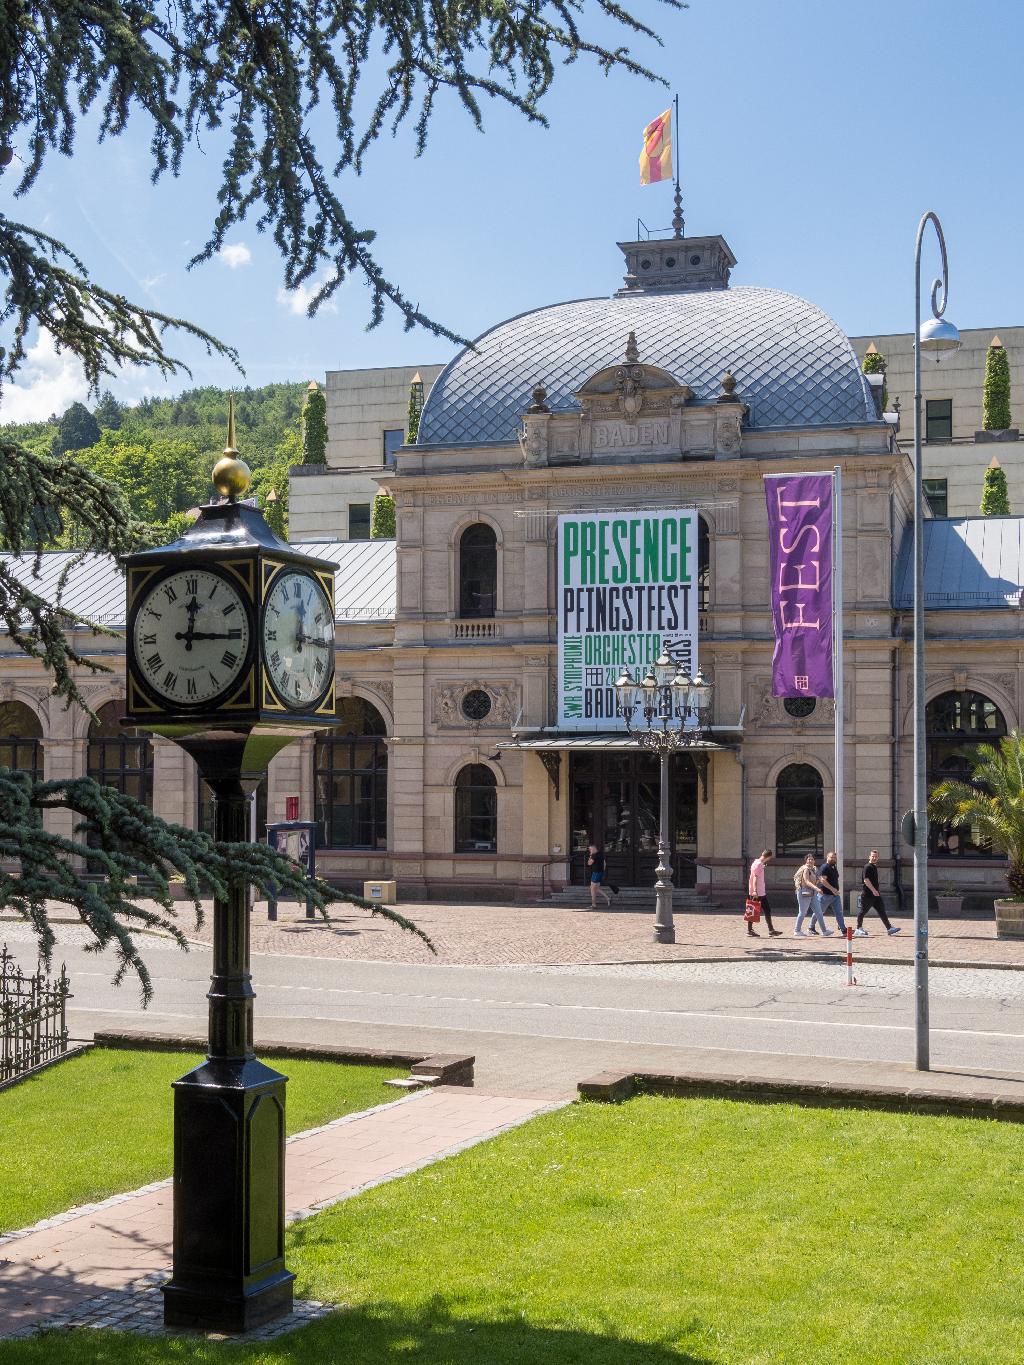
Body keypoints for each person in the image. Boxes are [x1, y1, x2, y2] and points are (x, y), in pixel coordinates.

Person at [854, 850, 901, 936]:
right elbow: (866, 880)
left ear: (878, 858)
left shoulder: (874, 867)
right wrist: (873, 890)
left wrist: (876, 892)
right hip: (868, 895)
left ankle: (889, 928)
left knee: (882, 911)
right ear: (869, 857)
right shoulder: (867, 867)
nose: (874, 858)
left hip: (876, 895)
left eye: (876, 856)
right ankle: (858, 928)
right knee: (863, 911)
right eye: (872, 856)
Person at [793, 853, 831, 937]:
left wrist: (827, 884)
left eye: (812, 859)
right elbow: (807, 881)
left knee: (819, 912)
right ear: (806, 860)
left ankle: (824, 931)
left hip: (813, 893)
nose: (810, 860)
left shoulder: (814, 869)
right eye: (809, 859)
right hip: (804, 892)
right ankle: (797, 930)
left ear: (814, 861)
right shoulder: (805, 869)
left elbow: (819, 879)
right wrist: (817, 889)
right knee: (803, 912)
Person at [747, 849, 783, 938]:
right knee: (755, 911)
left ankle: (770, 930)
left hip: (760, 892)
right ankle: (750, 930)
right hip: (758, 892)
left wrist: (763, 868)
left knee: (764, 910)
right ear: (769, 857)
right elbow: (755, 877)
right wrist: (755, 891)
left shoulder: (756, 862)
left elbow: (756, 873)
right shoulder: (759, 864)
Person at [815, 850, 846, 934]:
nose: (833, 859)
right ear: (827, 857)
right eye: (831, 857)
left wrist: (835, 890)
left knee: (839, 912)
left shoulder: (833, 867)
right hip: (825, 895)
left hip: (835, 896)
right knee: (819, 912)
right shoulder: (825, 867)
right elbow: (822, 880)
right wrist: (833, 889)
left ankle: (843, 930)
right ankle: (811, 927)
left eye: (835, 857)